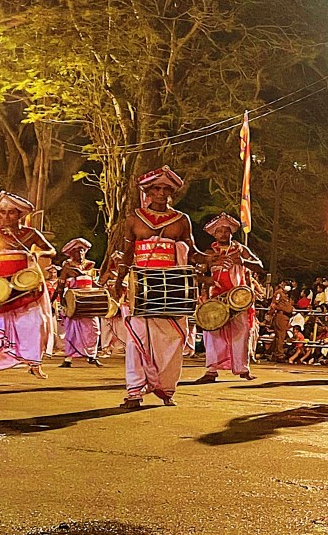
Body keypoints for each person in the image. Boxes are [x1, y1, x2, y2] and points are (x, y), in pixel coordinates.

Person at [113, 167, 199, 408]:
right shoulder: (134, 219)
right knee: (136, 339)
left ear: (172, 192)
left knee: (173, 339)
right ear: (147, 192)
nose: (161, 193)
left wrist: (208, 261)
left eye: (166, 189)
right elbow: (128, 253)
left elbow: (192, 251)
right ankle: (134, 392)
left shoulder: (181, 220)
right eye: (156, 189)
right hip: (141, 287)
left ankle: (165, 387)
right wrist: (118, 281)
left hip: (172, 288)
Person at [0, 191, 56, 385]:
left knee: (32, 324)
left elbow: (51, 250)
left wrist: (38, 255)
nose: (5, 217)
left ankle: (34, 363)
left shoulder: (30, 234)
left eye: (11, 213)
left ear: (19, 214)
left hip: (22, 286)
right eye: (2, 212)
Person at [192, 213, 263, 383]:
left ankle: (242, 369)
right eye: (219, 231)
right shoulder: (210, 253)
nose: (223, 234)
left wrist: (243, 262)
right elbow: (199, 274)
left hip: (239, 298)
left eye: (226, 231)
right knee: (212, 334)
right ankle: (211, 370)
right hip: (216, 298)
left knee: (241, 332)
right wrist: (206, 280)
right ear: (214, 234)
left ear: (231, 233)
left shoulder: (241, 250)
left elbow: (260, 266)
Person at [57, 238, 103, 367]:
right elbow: (60, 285)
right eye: (77, 251)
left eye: (82, 251)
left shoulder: (90, 266)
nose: (80, 254)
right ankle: (68, 359)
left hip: (89, 303)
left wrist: (102, 289)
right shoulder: (67, 266)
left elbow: (93, 283)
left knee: (94, 329)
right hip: (74, 303)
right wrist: (62, 302)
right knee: (73, 331)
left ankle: (92, 355)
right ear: (72, 253)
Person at [268, 280, 295, 362]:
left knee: (279, 336)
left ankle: (274, 353)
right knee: (280, 336)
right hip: (281, 316)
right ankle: (279, 354)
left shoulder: (286, 294)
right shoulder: (279, 293)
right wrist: (270, 314)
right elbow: (274, 304)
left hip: (285, 316)